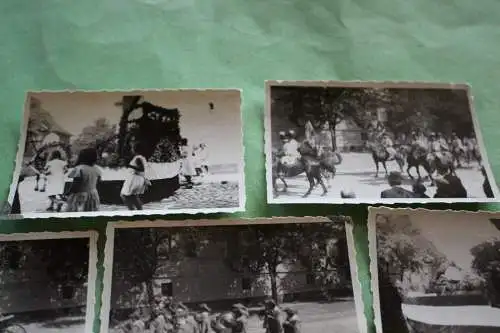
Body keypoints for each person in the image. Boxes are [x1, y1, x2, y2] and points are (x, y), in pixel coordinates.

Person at [65, 148, 102, 212]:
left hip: (80, 194)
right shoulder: (96, 169)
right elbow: (99, 181)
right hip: (93, 194)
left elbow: (76, 184)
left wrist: (68, 192)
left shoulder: (79, 168)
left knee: (77, 211)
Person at [120, 145, 150, 210]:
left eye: (132, 148)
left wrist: (129, 165)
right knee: (134, 197)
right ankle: (139, 211)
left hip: (134, 180)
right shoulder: (141, 157)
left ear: (135, 149)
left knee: (123, 195)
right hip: (138, 179)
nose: (131, 149)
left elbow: (141, 169)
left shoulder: (138, 158)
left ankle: (132, 210)